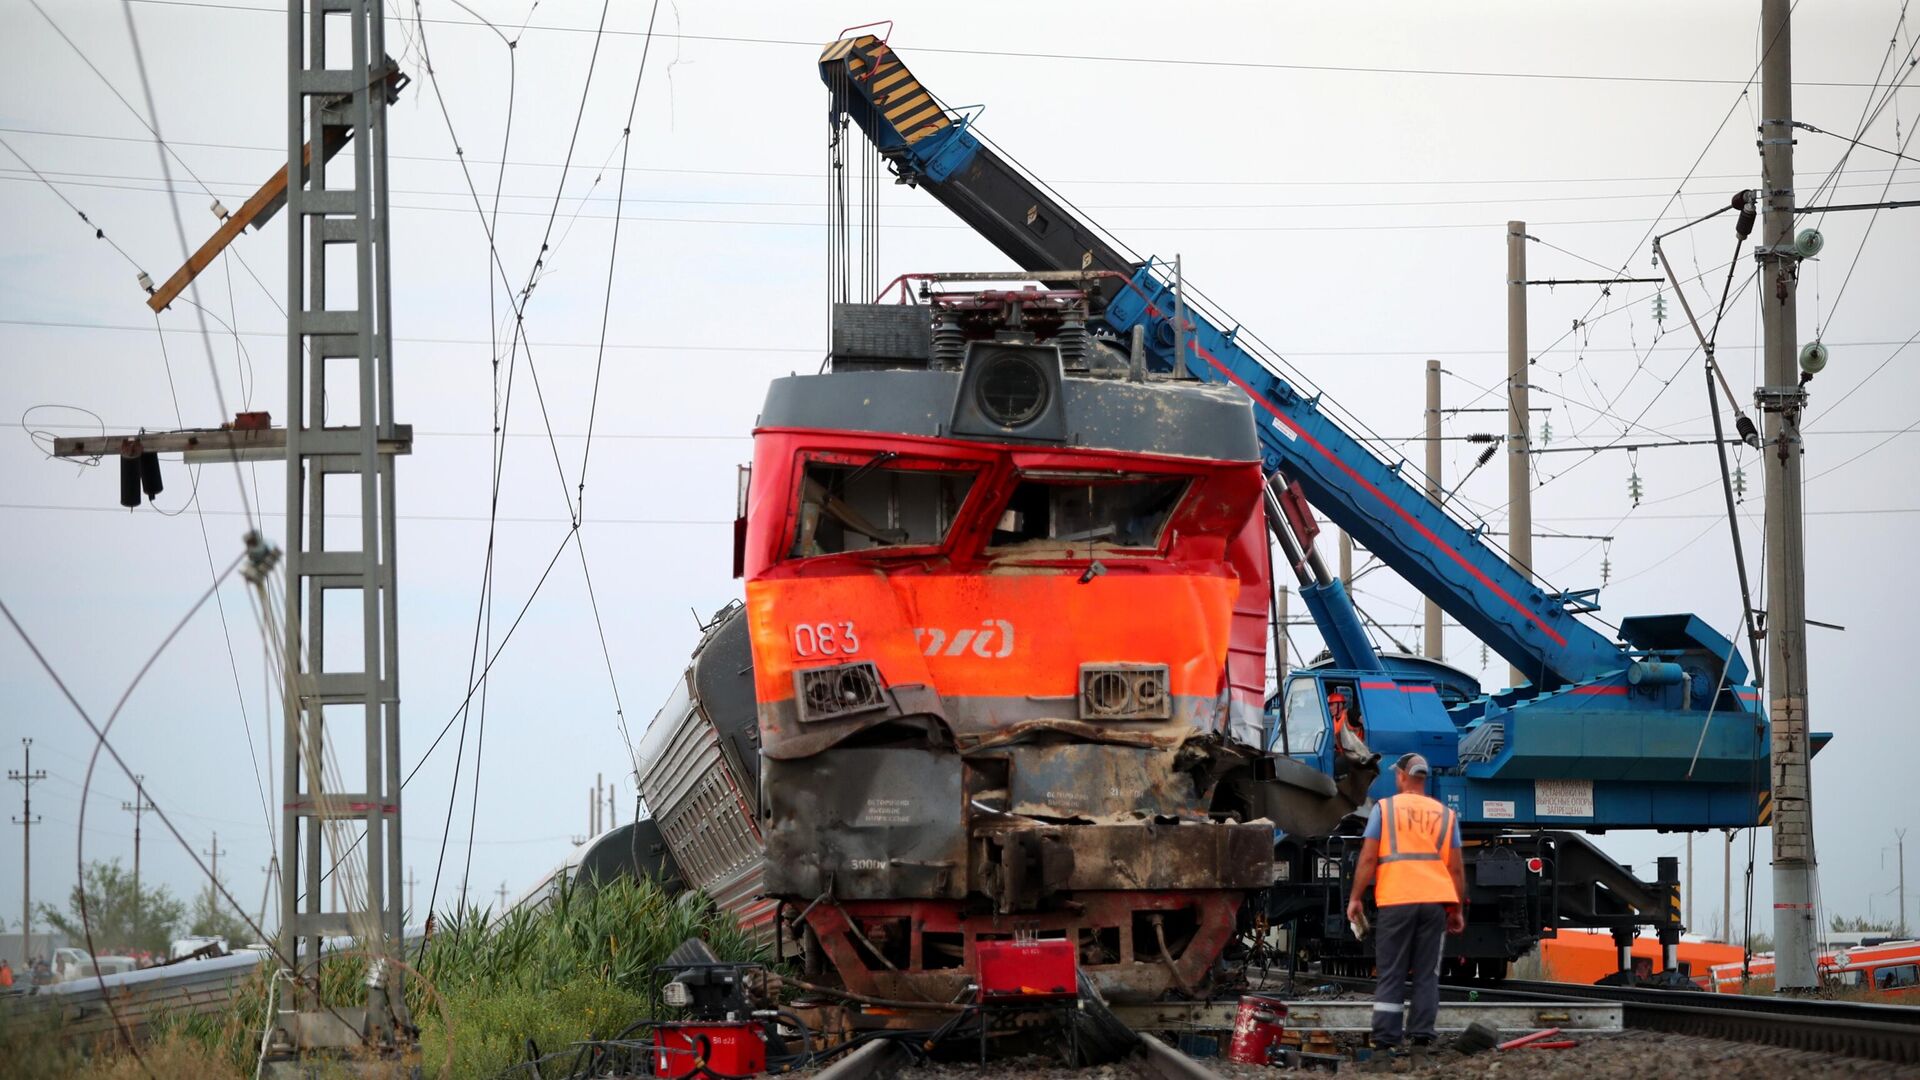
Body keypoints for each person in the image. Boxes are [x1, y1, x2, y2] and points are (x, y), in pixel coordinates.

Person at [1345, 753, 1466, 1066]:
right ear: (1423, 779)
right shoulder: (1446, 815)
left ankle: (1384, 1051)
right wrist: (1455, 909)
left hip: (1396, 901)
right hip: (1434, 904)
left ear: (1401, 776)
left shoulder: (1384, 810)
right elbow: (1455, 869)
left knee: (1391, 974)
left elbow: (1369, 858)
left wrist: (1355, 897)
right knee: (1427, 976)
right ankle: (1420, 1050)